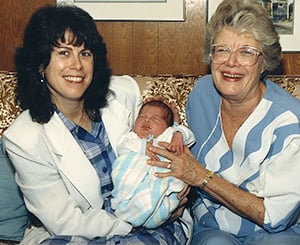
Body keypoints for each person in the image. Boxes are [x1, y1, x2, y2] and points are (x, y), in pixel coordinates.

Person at [2, 4, 193, 244]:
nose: (77, 65)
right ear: (41, 64)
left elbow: (160, 124)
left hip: (154, 219)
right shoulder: (24, 138)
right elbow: (64, 221)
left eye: (85, 53)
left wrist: (172, 122)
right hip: (75, 232)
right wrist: (131, 224)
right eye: (63, 52)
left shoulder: (123, 94)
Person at [147, 0, 300, 244]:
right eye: (222, 50)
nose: (231, 62)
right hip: (213, 224)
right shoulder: (201, 94)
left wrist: (203, 177)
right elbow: (186, 146)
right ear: (211, 55)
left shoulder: (289, 122)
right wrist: (170, 126)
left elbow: (276, 216)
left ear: (265, 62)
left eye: (246, 52)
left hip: (275, 232)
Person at [111, 100, 195, 228]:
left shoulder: (168, 135)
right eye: (142, 117)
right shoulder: (132, 138)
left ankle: (157, 210)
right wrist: (143, 146)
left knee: (174, 183)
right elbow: (122, 146)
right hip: (133, 180)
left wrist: (179, 134)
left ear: (167, 126)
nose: (147, 121)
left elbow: (189, 135)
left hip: (160, 181)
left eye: (155, 119)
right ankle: (128, 208)